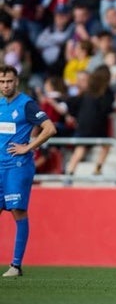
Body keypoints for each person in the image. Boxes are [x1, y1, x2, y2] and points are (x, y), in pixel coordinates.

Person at [0, 64, 57, 277]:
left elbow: (50, 128)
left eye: (9, 81)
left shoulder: (27, 104)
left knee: (18, 212)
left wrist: (28, 146)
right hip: (0, 166)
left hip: (17, 166)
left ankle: (16, 265)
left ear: (16, 82)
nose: (5, 85)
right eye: (2, 81)